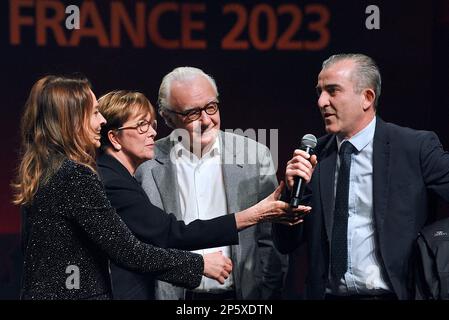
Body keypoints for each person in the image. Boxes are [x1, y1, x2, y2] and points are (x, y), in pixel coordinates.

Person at [11, 75, 233, 300]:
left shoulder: (43, 171)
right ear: (73, 119)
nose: (101, 121)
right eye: (95, 112)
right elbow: (129, 252)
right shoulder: (75, 176)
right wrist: (199, 264)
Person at [96, 90, 306, 299]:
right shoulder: (113, 181)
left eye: (151, 124)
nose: (151, 132)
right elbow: (165, 236)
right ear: (114, 137)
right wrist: (252, 215)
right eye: (142, 125)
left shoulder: (120, 176)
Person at [273, 53, 449, 300]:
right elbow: (286, 244)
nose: (322, 101)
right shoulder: (313, 157)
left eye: (332, 91)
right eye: (319, 92)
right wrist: (291, 195)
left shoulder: (414, 148)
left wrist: (441, 251)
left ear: (367, 97)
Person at [135, 67, 289, 300]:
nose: (206, 120)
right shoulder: (145, 164)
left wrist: (266, 294)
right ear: (167, 117)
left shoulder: (255, 156)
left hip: (240, 297)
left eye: (211, 107)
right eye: (192, 113)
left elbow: (271, 237)